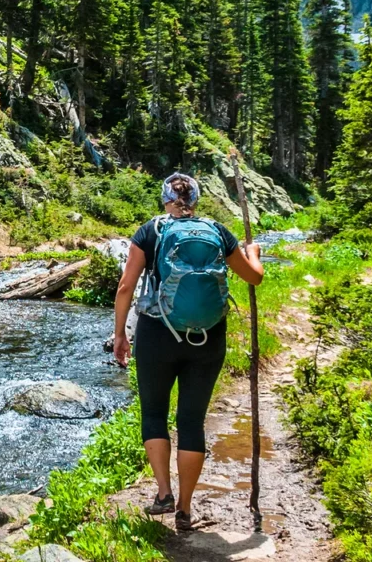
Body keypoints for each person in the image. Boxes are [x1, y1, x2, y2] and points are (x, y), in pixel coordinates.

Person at [111, 173, 264, 532]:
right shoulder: (219, 231)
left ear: (165, 199)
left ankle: (163, 493)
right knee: (192, 420)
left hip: (156, 332)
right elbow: (254, 277)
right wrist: (252, 253)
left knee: (154, 414)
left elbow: (125, 287)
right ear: (196, 200)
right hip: (208, 338)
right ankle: (185, 507)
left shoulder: (150, 231)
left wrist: (120, 335)